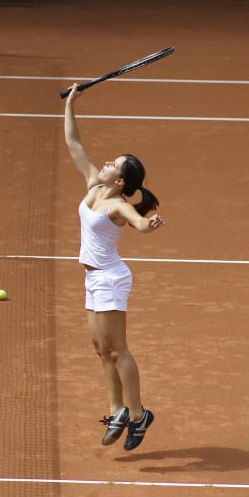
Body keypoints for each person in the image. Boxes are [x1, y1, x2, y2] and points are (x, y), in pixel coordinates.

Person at [64, 83, 164, 451]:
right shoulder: (93, 186)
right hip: (93, 279)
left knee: (118, 349)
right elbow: (74, 144)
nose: (106, 163)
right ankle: (117, 408)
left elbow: (138, 223)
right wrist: (71, 104)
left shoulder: (119, 206)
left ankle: (138, 414)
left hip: (110, 279)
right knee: (100, 349)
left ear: (120, 181)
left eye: (113, 164)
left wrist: (148, 225)